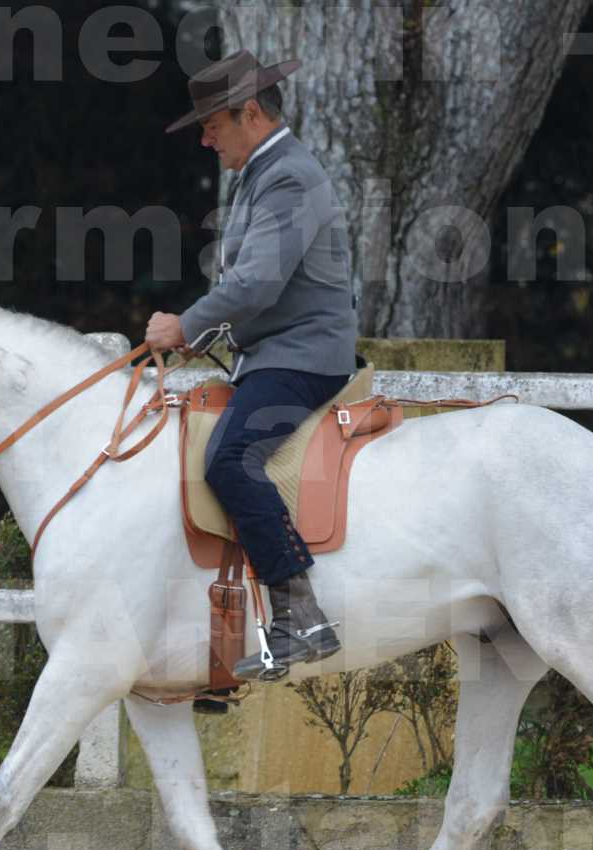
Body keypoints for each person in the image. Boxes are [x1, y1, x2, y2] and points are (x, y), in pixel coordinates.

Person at [145, 50, 357, 682]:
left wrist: (185, 323)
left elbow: (258, 281)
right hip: (275, 350)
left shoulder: (287, 175)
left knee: (231, 459)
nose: (206, 139)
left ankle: (302, 617)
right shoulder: (264, 172)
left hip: (304, 355)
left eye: (213, 124)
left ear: (252, 114)